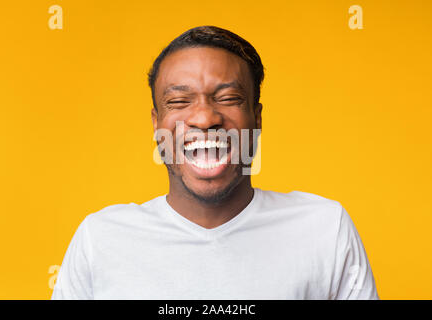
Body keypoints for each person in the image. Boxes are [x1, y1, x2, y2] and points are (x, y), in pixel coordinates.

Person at [52, 26, 379, 299]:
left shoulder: (324, 229)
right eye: (179, 101)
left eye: (228, 98)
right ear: (157, 124)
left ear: (257, 117)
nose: (205, 118)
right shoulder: (101, 239)